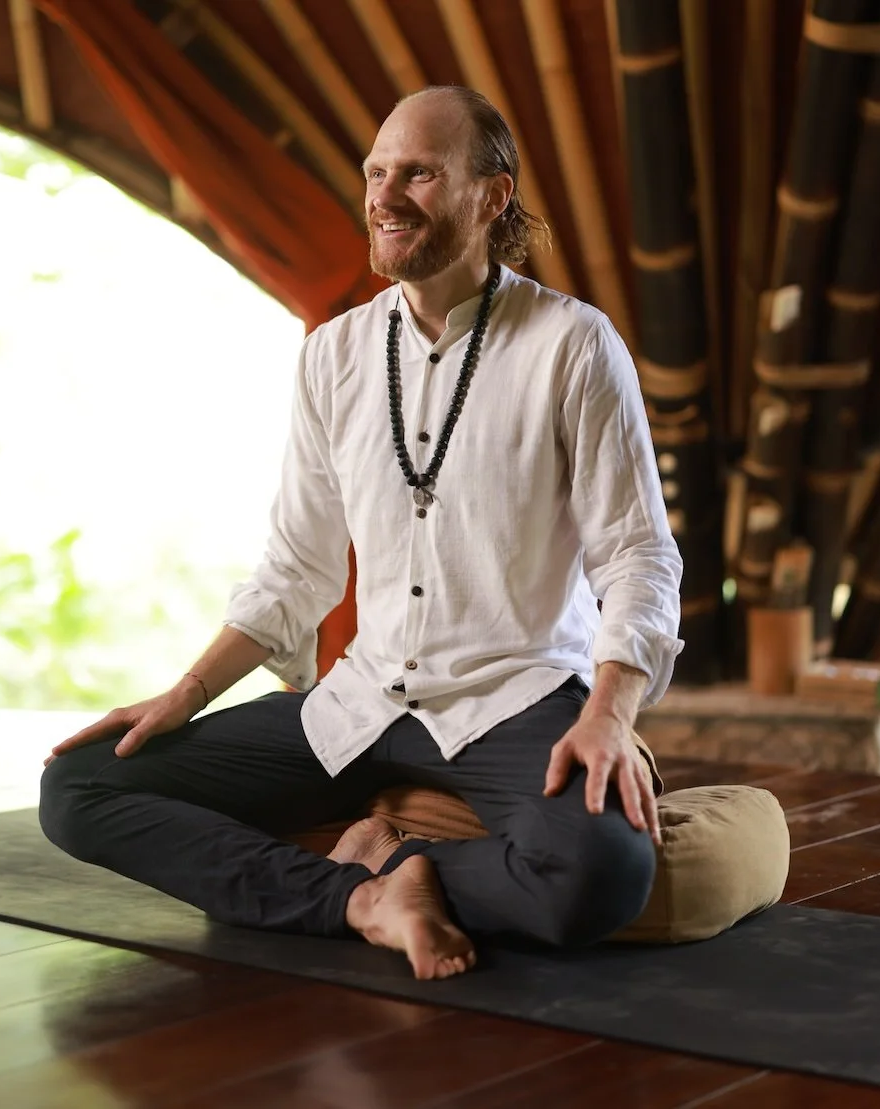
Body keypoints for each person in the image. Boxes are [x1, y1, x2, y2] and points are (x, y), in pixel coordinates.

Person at [39, 85, 684, 981]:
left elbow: (637, 552)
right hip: (361, 701)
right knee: (80, 787)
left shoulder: (573, 344)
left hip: (515, 697)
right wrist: (182, 695)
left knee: (604, 870)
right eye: (377, 172)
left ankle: (387, 862)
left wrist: (611, 712)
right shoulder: (333, 354)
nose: (384, 195)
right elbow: (297, 566)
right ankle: (361, 897)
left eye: (418, 173)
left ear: (490, 196)